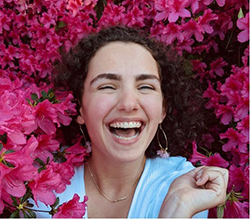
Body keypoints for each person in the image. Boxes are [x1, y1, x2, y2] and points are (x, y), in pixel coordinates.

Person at [33, 26, 228, 218]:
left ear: (162, 109)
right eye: (108, 86)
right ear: (79, 108)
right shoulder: (41, 190)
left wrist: (178, 209)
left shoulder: (186, 188)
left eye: (145, 86)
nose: (128, 104)